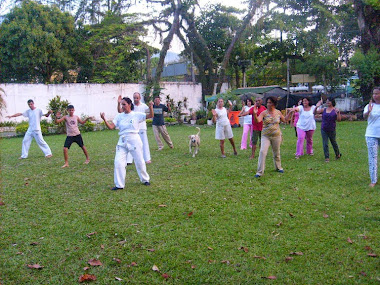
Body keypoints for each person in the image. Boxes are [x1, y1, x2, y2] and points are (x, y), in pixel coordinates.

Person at [100, 97, 153, 190]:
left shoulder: (136, 115)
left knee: (139, 161)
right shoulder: (119, 116)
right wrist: (104, 119)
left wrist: (151, 107)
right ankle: (119, 185)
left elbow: (150, 115)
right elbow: (111, 127)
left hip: (134, 140)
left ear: (129, 104)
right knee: (118, 162)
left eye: (124, 104)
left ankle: (145, 179)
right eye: (121, 104)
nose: (122, 106)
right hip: (122, 141)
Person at [252, 97, 289, 178]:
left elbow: (285, 120)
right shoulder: (263, 113)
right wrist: (255, 114)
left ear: (274, 104)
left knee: (276, 152)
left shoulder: (278, 112)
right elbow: (257, 120)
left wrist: (291, 113)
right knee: (262, 152)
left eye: (270, 103)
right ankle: (259, 172)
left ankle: (278, 167)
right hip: (266, 136)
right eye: (268, 103)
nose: (268, 104)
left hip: (276, 135)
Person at [118, 93, 151, 164]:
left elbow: (149, 114)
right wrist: (118, 103)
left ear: (139, 98)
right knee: (130, 144)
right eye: (134, 98)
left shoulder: (144, 106)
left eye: (137, 98)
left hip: (142, 127)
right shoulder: (131, 106)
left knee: (144, 143)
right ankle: (129, 160)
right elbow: (120, 111)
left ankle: (147, 159)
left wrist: (151, 106)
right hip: (132, 128)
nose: (135, 99)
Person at [314, 98, 342, 162]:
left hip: (332, 129)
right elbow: (315, 113)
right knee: (325, 143)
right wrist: (317, 107)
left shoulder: (335, 110)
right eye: (327, 101)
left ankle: (337, 154)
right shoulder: (324, 109)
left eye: (329, 101)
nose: (328, 102)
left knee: (333, 142)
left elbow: (339, 120)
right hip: (324, 128)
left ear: (332, 102)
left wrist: (338, 113)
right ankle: (327, 157)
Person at [363, 87, 380, 187]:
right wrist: (368, 111)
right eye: (374, 94)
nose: (375, 95)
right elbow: (364, 117)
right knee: (373, 158)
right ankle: (373, 180)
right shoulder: (369, 106)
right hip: (371, 134)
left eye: (377, 93)